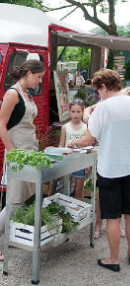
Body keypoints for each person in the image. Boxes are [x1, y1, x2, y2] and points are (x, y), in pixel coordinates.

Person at [67, 69, 130, 272]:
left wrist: (73, 142)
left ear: (103, 87)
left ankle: (114, 259)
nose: (98, 95)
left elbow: (88, 140)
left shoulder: (103, 108)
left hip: (110, 169)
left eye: (98, 91)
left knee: (113, 217)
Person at [92, 84, 130, 240]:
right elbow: (95, 110)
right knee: (103, 196)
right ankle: (99, 223)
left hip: (127, 167)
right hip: (110, 163)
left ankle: (116, 225)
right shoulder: (110, 105)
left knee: (122, 206)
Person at [0, 59, 46, 261]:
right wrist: (12, 152)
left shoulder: (27, 94)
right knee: (14, 203)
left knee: (25, 198)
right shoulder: (13, 93)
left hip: (30, 152)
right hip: (19, 154)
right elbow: (1, 124)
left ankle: (13, 237)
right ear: (28, 73)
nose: (40, 81)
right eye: (38, 77)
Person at [58, 99, 88, 201]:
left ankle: (80, 213)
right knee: (65, 190)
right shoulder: (65, 127)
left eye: (78, 112)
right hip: (67, 162)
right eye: (73, 111)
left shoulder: (86, 128)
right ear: (69, 112)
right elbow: (61, 144)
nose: (75, 114)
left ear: (83, 112)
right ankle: (65, 213)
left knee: (78, 191)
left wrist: (88, 164)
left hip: (80, 163)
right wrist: (62, 150)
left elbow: (88, 146)